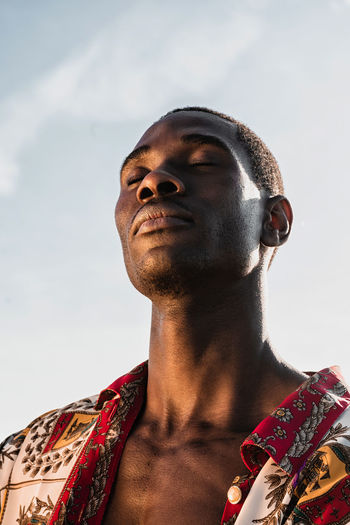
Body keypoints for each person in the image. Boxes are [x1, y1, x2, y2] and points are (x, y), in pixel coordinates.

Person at [1, 108, 350, 525]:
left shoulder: (339, 455)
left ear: (274, 221)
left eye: (203, 162)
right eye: (134, 178)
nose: (153, 182)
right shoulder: (26, 458)